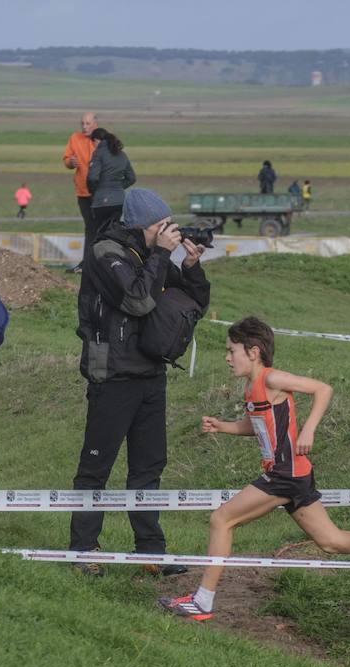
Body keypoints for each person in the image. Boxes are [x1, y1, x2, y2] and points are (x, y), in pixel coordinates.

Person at [158, 318, 350, 620]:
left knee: (221, 519)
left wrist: (309, 429)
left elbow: (322, 389)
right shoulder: (252, 388)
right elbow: (257, 426)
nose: (227, 357)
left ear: (254, 351)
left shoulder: (272, 379)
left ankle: (203, 600)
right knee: (331, 541)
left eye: (232, 351)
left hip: (285, 474)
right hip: (294, 475)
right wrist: (223, 427)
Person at [70, 188, 210, 576]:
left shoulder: (151, 255)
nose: (168, 232)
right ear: (142, 225)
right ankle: (83, 549)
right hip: (112, 373)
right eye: (162, 226)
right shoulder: (106, 253)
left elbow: (193, 302)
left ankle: (151, 550)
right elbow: (137, 301)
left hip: (150, 371)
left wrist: (192, 266)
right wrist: (163, 255)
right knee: (96, 467)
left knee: (148, 467)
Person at [85, 127, 135, 239]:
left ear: (97, 140)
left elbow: (92, 178)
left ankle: (100, 255)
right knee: (114, 233)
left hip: (101, 202)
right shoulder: (122, 154)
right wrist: (117, 187)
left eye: (93, 143)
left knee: (99, 234)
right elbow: (131, 178)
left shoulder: (98, 153)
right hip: (119, 201)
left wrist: (95, 191)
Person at [62, 112, 98, 267]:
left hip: (100, 193)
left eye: (88, 123)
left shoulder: (102, 138)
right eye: (82, 123)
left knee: (101, 227)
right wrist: (71, 162)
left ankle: (98, 261)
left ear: (95, 123)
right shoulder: (75, 138)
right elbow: (66, 159)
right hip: (83, 191)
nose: (84, 127)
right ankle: (87, 263)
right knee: (90, 227)